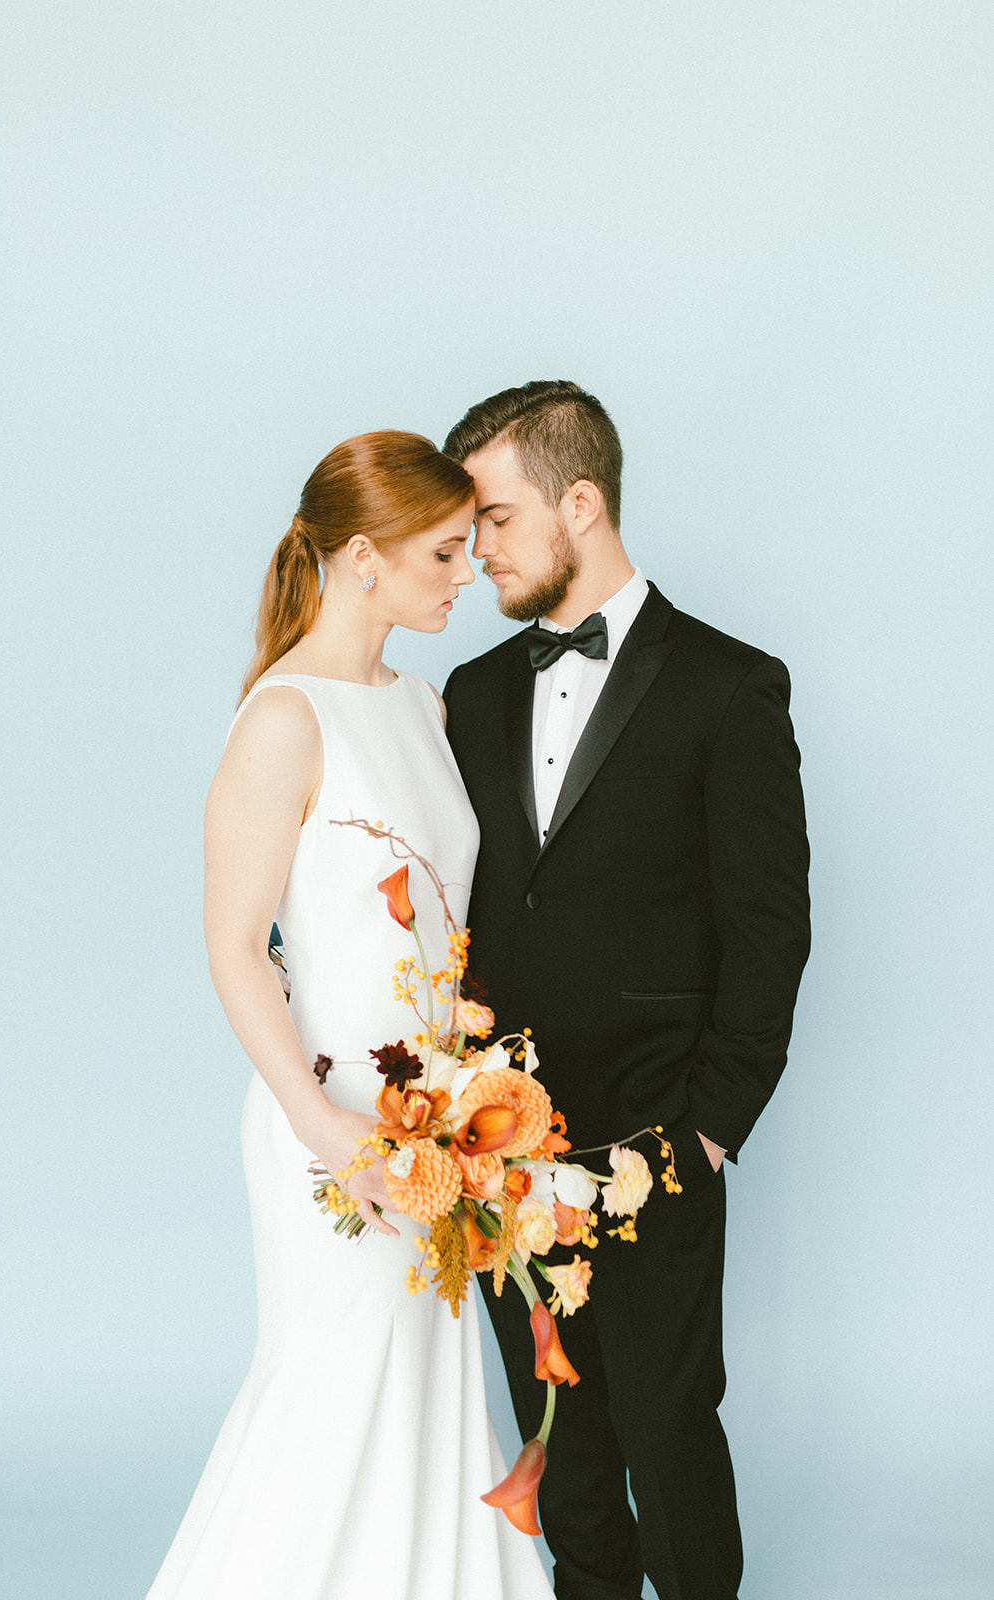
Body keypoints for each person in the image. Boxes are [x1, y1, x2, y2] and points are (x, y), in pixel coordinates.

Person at [146, 430, 553, 1600]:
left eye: (469, 545)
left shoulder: (421, 704)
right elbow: (235, 949)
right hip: (330, 1124)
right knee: (335, 1395)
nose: (467, 572)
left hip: (437, 1126)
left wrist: (478, 1097)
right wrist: (326, 1128)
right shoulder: (283, 718)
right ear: (365, 557)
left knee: (424, 1403)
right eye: (443, 552)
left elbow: (442, 925)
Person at [441, 382, 811, 1600]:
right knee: (559, 1432)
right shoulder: (469, 694)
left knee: (666, 1421)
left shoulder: (727, 686)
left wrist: (707, 1127)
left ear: (580, 503)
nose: (475, 550)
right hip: (501, 1145)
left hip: (657, 1133)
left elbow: (768, 931)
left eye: (495, 518)